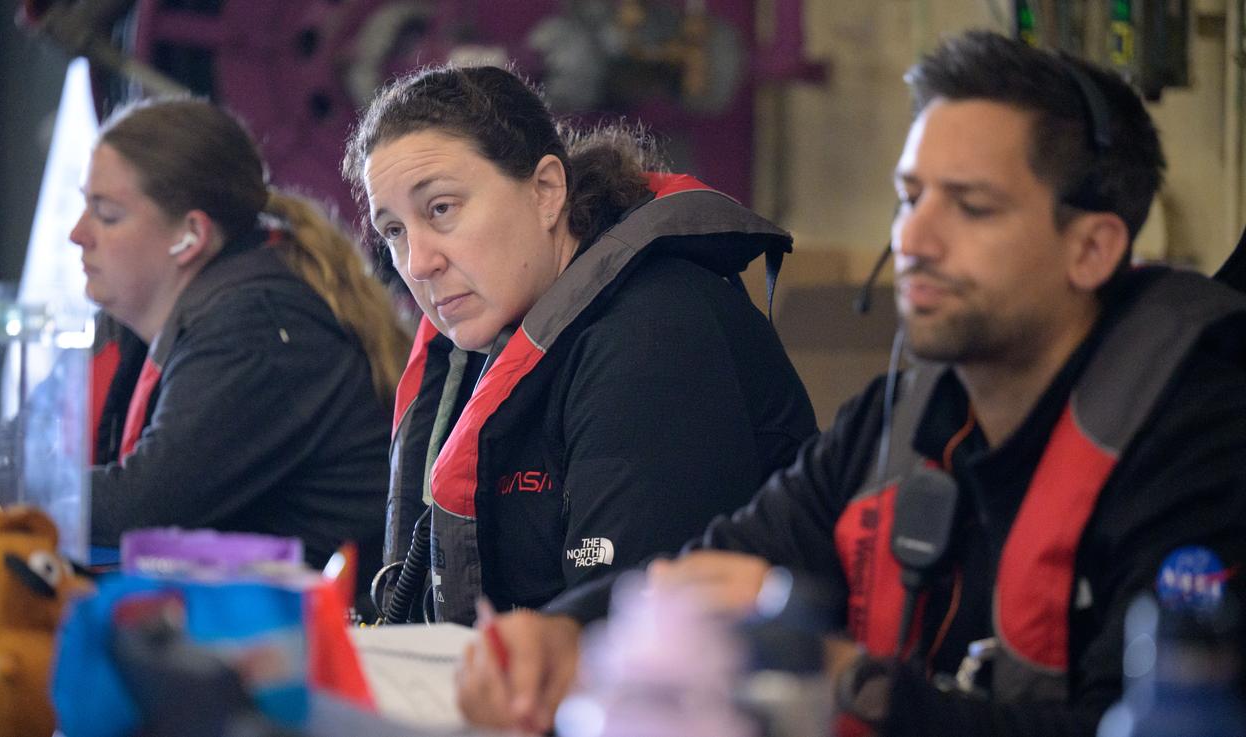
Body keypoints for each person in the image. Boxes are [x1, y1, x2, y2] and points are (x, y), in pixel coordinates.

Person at [455, 30, 1246, 737]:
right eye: (909, 198)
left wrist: (844, 679)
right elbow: (723, 562)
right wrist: (566, 633)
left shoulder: (1201, 448)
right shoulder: (899, 420)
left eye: (969, 207)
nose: (913, 238)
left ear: (1093, 249)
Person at [341, 65, 817, 626]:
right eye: (393, 230)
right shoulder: (479, 345)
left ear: (546, 191)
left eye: (441, 208)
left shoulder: (655, 335)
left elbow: (630, 634)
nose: (418, 263)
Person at [71, 97, 407, 602]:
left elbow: (143, 506)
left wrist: (8, 495)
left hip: (324, 648)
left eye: (107, 214)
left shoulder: (256, 326)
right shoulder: (143, 327)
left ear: (190, 236)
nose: (78, 235)